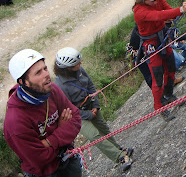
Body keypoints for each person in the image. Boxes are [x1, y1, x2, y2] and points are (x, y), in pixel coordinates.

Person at [3, 49, 82, 177]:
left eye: (45, 68)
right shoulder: (15, 122)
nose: (46, 74)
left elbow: (76, 118)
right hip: (45, 173)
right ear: (24, 82)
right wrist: (61, 130)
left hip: (68, 158)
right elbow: (39, 159)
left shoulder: (51, 90)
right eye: (38, 72)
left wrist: (48, 142)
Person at [53, 47, 133, 172]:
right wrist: (88, 114)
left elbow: (90, 86)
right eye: (76, 64)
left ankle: (119, 149)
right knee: (94, 136)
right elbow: (70, 108)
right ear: (67, 68)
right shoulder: (60, 86)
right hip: (78, 115)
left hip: (90, 105)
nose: (80, 64)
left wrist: (95, 105)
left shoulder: (79, 70)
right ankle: (120, 157)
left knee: (103, 128)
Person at [133, 0, 186, 121]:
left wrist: (179, 11)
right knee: (157, 77)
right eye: (152, 1)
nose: (155, 2)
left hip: (162, 37)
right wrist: (180, 10)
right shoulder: (139, 11)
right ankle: (159, 107)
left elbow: (167, 10)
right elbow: (158, 15)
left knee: (171, 68)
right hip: (151, 44)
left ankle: (169, 94)